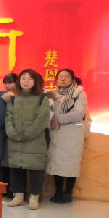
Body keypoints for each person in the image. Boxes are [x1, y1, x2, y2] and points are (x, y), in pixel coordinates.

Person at [5, 69, 51, 210]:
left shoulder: (42, 98)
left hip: (34, 140)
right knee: (16, 168)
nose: (26, 81)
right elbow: (8, 118)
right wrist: (13, 133)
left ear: (35, 81)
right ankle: (18, 197)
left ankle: (34, 197)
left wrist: (27, 135)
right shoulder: (13, 98)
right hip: (15, 140)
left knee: (36, 169)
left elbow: (42, 119)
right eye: (23, 78)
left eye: (30, 79)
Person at [47, 68, 88, 204]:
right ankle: (58, 191)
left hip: (72, 134)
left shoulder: (79, 94)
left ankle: (68, 193)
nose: (63, 79)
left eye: (66, 76)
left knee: (71, 164)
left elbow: (78, 114)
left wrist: (57, 119)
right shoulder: (52, 94)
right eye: (60, 77)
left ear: (72, 79)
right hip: (56, 133)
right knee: (56, 163)